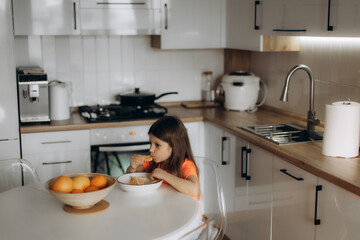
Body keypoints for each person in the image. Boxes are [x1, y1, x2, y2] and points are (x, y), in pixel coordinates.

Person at [126, 115, 200, 198]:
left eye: (157, 145)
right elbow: (131, 178)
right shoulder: (152, 162)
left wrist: (164, 175)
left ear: (174, 147)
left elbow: (194, 189)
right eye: (151, 143)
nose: (151, 149)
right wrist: (132, 167)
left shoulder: (186, 165)